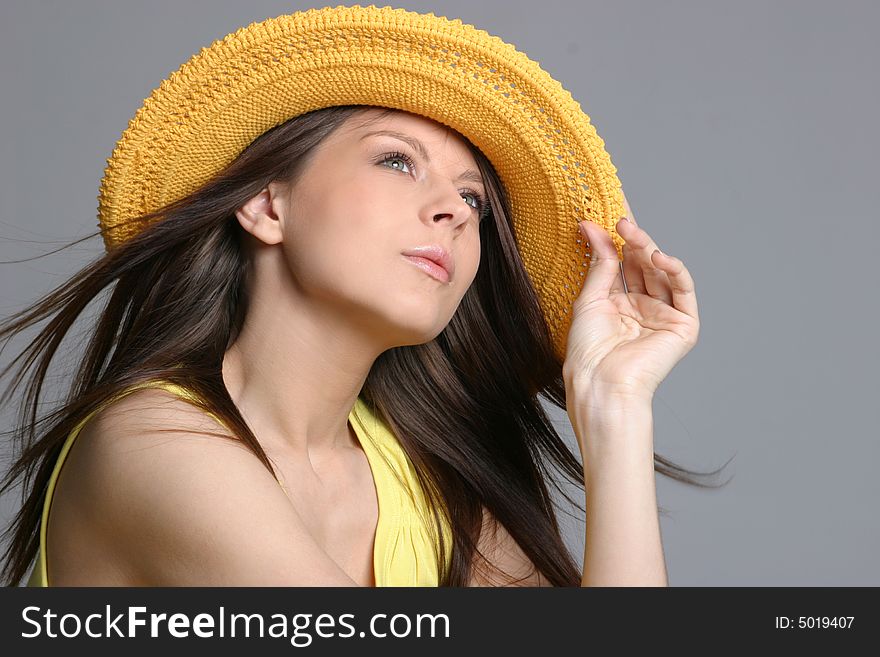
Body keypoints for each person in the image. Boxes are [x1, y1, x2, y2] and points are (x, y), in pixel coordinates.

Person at [0, 5, 711, 588]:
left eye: (474, 200)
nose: (458, 212)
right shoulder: (154, 447)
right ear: (266, 204)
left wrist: (612, 404)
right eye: (398, 160)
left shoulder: (428, 480)